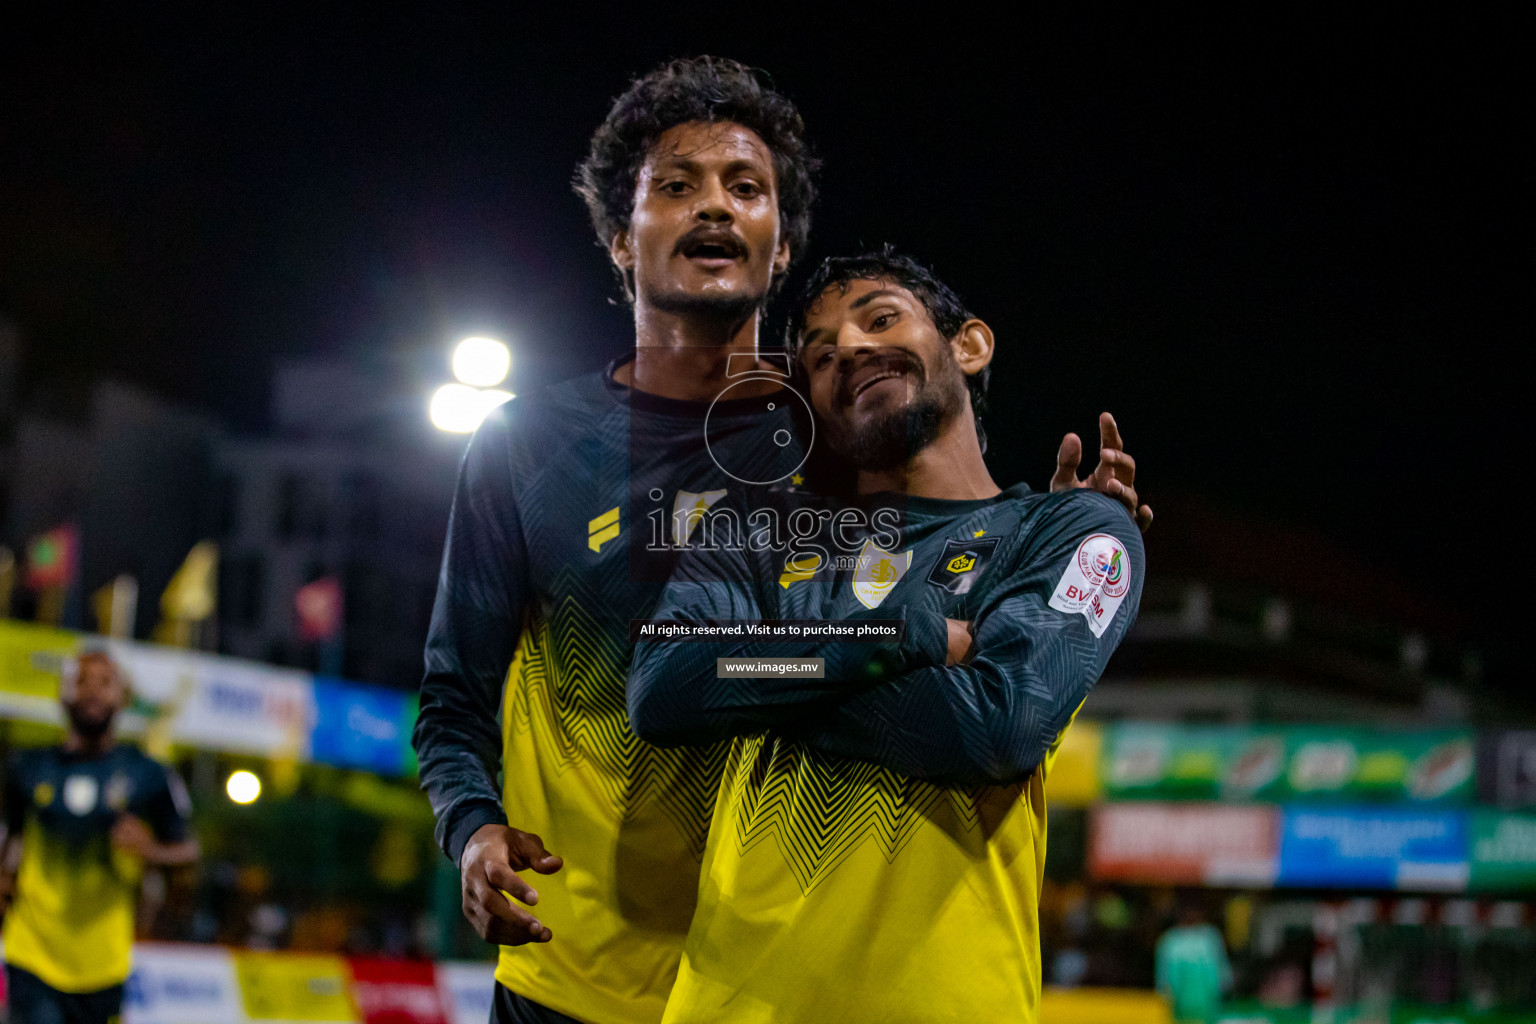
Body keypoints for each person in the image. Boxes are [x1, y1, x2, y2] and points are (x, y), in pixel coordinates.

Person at [412, 58, 1147, 1024]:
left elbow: (956, 549)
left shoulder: (841, 439)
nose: (712, 206)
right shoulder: (524, 449)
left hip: (770, 970)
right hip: (576, 970)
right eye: (676, 186)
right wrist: (469, 827)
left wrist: (1061, 538)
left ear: (783, 243)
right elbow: (457, 693)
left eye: (745, 188)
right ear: (617, 238)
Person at [627, 250, 1146, 1023]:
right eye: (823, 354)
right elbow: (664, 689)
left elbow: (998, 725)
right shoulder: (757, 534)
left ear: (967, 346)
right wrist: (899, 634)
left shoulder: (1070, 529)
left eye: (879, 319)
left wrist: (756, 670)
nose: (854, 352)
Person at [1, 649, 198, 1024]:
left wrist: (149, 850)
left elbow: (188, 851)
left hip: (104, 963)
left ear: (122, 697)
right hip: (31, 952)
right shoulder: (26, 768)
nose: (92, 690)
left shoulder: (149, 774)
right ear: (63, 694)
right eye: (82, 681)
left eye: (104, 682)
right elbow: (9, 840)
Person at [1156, 900, 1234, 1023]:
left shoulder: (1210, 936)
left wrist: (1225, 988)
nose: (1191, 915)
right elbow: (1163, 974)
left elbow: (1222, 968)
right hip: (1180, 1004)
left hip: (1209, 1003)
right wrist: (1165, 993)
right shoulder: (1171, 939)